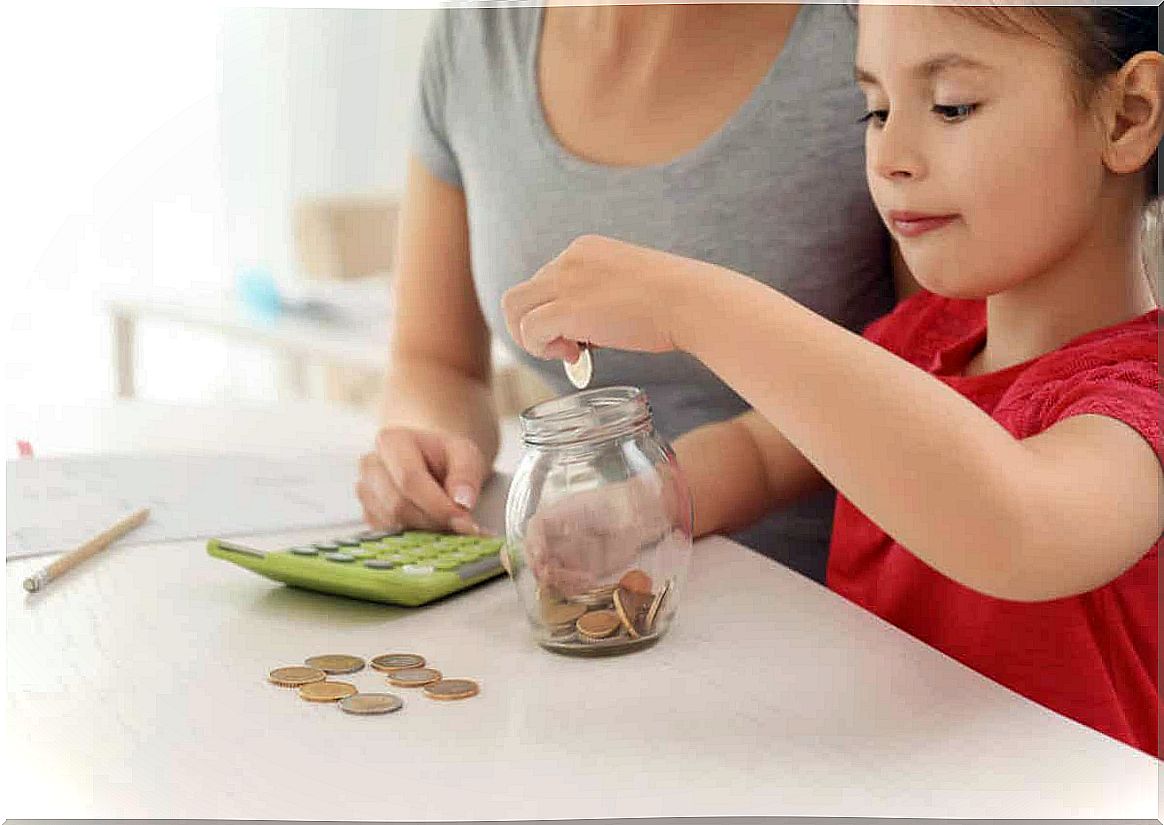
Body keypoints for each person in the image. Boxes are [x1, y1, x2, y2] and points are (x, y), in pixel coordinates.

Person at [501, 5, 1162, 756]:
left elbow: (1020, 525)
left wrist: (693, 305)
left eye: (951, 106)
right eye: (876, 111)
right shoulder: (922, 339)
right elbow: (759, 452)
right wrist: (629, 509)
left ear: (1126, 116)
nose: (892, 156)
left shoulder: (1143, 396)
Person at [355, 3, 919, 584]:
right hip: (575, 576)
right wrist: (431, 454)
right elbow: (435, 362)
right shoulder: (478, 30)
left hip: (831, 599)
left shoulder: (870, 26)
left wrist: (652, 502)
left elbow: (930, 367)